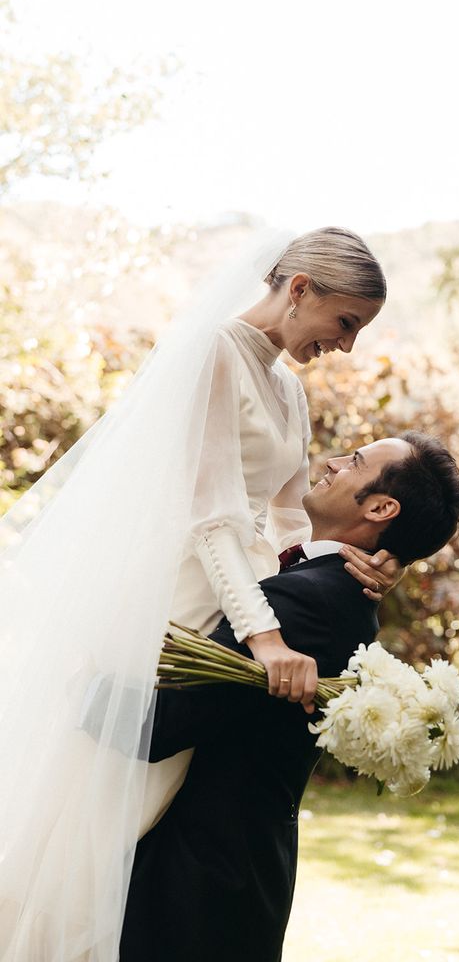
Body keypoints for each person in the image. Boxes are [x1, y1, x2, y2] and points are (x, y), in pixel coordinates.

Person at [0, 228, 397, 961]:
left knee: (151, 823)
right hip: (181, 604)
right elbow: (213, 516)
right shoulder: (216, 352)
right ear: (301, 288)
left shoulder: (289, 392)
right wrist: (266, 639)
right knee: (102, 815)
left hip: (233, 603)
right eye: (346, 323)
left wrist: (339, 556)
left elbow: (284, 521)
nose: (346, 346)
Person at [117, 433, 459, 962]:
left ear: (379, 507)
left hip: (198, 885)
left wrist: (68, 686)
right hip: (236, 875)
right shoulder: (332, 590)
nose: (330, 463)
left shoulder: (309, 601)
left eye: (353, 461)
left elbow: (164, 724)